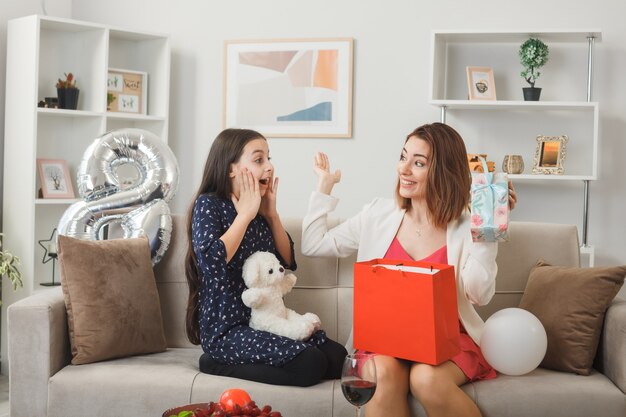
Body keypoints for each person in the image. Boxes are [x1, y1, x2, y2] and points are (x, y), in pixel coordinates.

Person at [301, 122, 517, 416]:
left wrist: (487, 232)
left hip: (450, 341)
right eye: (403, 157)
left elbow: (479, 294)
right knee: (382, 375)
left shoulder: (467, 225)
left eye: (419, 163)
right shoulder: (377, 213)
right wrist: (324, 187)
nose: (404, 169)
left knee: (425, 379)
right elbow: (314, 245)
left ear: (443, 171)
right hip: (386, 342)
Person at [184, 128, 347, 387]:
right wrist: (245, 215)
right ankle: (215, 363)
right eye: (259, 160)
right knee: (311, 364)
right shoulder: (209, 204)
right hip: (228, 331)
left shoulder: (261, 212)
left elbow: (286, 262)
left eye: (269, 158)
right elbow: (211, 263)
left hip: (266, 321)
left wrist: (271, 215)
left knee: (339, 358)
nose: (269, 167)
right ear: (231, 169)